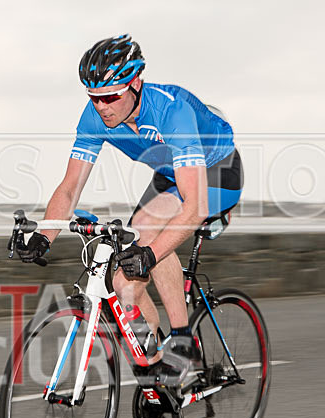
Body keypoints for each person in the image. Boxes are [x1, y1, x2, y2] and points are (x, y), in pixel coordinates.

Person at [19, 34, 243, 389]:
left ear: (136, 84)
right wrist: (43, 236)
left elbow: (194, 204)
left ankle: (184, 342)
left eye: (111, 97)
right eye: (93, 98)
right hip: (170, 175)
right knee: (125, 285)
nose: (102, 107)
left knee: (146, 232)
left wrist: (151, 253)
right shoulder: (96, 117)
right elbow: (69, 187)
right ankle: (157, 377)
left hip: (217, 173)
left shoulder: (172, 109)